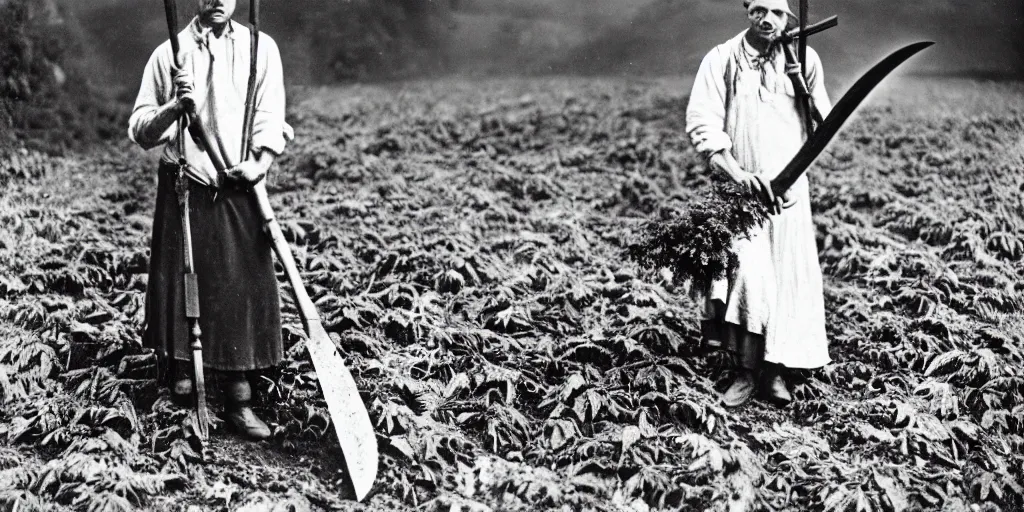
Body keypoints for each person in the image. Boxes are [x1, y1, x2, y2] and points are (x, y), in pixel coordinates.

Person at [128, 0, 292, 439]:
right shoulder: (170, 53)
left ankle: (239, 397)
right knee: (186, 279)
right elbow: (141, 127)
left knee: (240, 283)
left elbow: (270, 115)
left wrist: (259, 166)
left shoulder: (262, 48)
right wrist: (173, 110)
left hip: (238, 183)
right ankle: (183, 373)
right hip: (185, 183)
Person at [685, 0, 832, 407]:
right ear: (747, 9)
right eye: (759, 10)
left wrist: (803, 87)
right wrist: (738, 175)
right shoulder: (722, 59)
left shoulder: (806, 58)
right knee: (746, 276)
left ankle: (777, 372)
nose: (767, 19)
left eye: (777, 12)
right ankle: (744, 371)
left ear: (789, 17)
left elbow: (825, 123)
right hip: (741, 192)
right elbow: (703, 124)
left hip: (789, 193)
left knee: (786, 279)